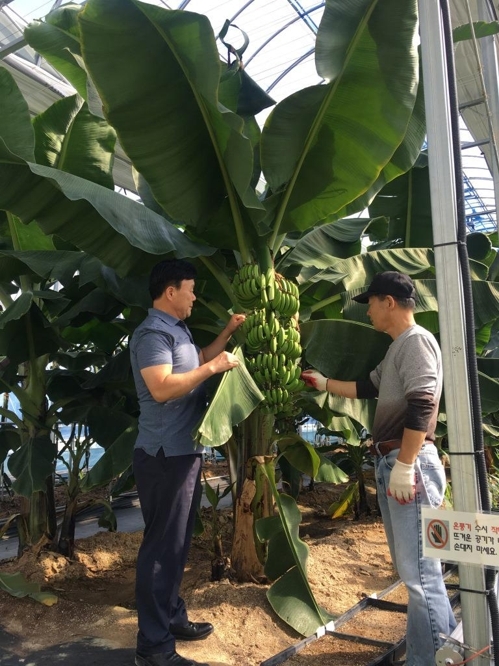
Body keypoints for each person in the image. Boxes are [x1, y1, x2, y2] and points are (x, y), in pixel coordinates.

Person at [301, 271, 456, 666]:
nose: (367, 311)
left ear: (389, 302)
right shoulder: (397, 349)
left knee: (422, 577)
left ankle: (445, 657)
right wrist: (324, 383)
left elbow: (422, 404)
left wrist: (405, 465)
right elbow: (368, 388)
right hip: (394, 463)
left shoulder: (417, 342)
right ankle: (425, 657)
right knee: (414, 576)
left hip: (409, 466)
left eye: (370, 302)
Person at [129, 259, 245, 666]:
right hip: (164, 456)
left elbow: (196, 362)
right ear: (170, 292)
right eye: (191, 289)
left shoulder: (178, 330)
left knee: (176, 545)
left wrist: (227, 334)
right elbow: (161, 388)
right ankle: (154, 645)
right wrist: (214, 367)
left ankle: (172, 617)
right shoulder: (151, 334)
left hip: (185, 452)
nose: (196, 296)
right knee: (161, 548)